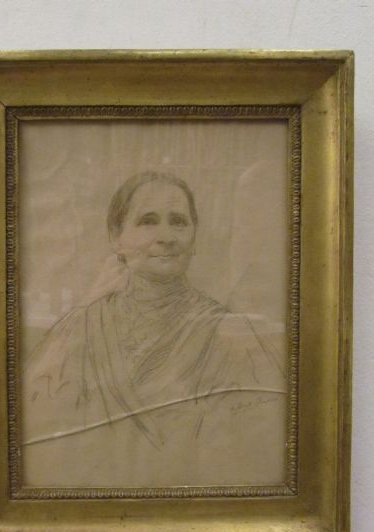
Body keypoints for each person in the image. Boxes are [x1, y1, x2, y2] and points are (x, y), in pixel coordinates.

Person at [21, 171, 287, 489]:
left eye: (179, 222)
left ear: (194, 237)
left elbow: (252, 452)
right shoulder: (81, 326)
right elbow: (37, 433)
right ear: (115, 237)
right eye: (148, 221)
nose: (166, 236)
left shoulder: (230, 335)